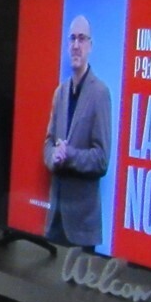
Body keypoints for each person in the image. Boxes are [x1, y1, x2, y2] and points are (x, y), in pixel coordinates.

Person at [43, 15, 112, 251]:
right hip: (56, 218)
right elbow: (48, 143)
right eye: (72, 38)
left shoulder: (100, 93)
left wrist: (69, 154)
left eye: (82, 39)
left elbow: (101, 160)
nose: (76, 45)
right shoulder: (60, 93)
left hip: (82, 226)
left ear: (90, 45)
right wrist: (53, 156)